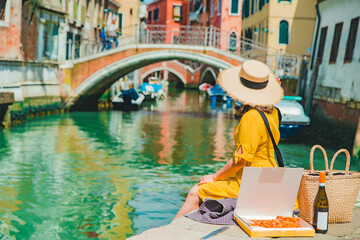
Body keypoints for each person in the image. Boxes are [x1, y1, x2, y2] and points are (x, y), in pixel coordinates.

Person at [173, 60, 284, 219]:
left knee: (195, 192)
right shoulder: (274, 112)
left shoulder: (251, 117)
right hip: (268, 175)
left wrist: (213, 177)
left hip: (252, 180)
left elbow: (241, 160)